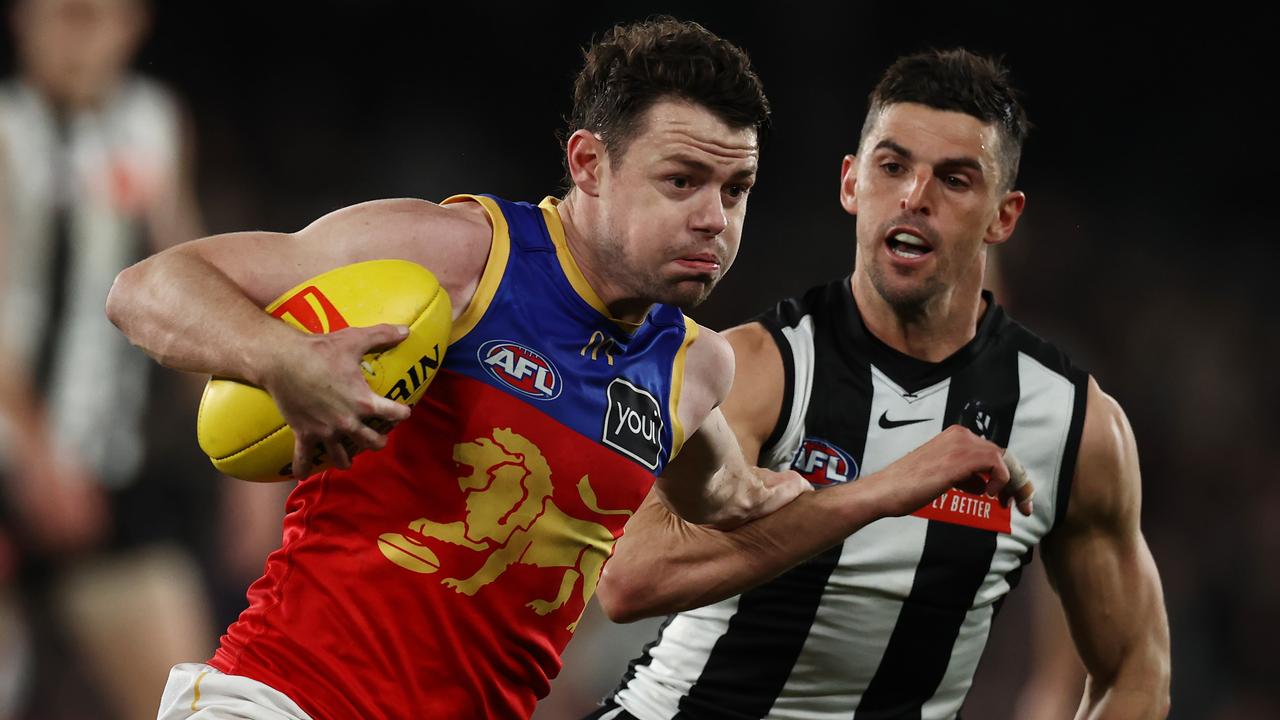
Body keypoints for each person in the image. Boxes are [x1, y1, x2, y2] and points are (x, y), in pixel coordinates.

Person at [107, 19, 1029, 720]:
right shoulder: (459, 253)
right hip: (278, 698)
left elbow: (738, 504)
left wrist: (908, 482)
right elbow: (150, 287)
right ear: (589, 163)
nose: (716, 218)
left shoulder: (691, 370)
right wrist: (284, 360)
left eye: (737, 190)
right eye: (682, 182)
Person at [587, 49, 1170, 719]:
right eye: (893, 167)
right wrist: (882, 492)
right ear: (852, 184)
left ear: (1003, 218)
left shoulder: (1074, 422)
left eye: (954, 180)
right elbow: (631, 580)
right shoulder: (762, 367)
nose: (915, 197)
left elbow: (1134, 670)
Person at [0, 1, 220, 717]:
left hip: (105, 474)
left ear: (134, 23)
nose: (78, 36)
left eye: (96, 15)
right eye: (62, 14)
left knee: (194, 701)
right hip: (12, 460)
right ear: (22, 20)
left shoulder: (151, 123)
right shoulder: (6, 129)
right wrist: (34, 456)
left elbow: (187, 285)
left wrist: (247, 451)